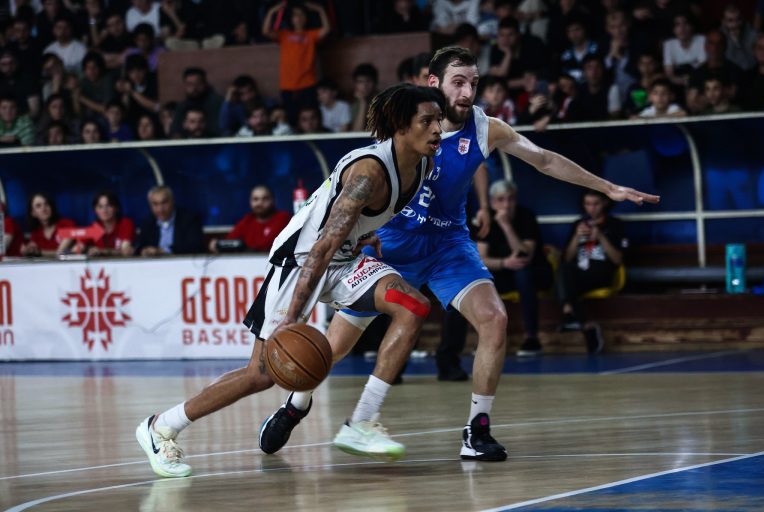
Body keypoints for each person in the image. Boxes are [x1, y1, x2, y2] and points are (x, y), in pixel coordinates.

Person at [258, 46, 659, 463]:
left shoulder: (485, 129)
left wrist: (607, 187)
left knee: (494, 319)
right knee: (334, 347)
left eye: (474, 83)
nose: (468, 92)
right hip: (393, 245)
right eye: (458, 82)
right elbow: (371, 188)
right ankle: (297, 403)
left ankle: (475, 429)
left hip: (448, 246)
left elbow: (543, 160)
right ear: (434, 83)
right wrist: (362, 234)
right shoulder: (405, 126)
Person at [135, 83, 446, 477]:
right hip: (301, 260)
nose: (437, 128)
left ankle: (362, 422)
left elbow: (348, 228)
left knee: (413, 306)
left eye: (439, 119)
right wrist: (293, 318)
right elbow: (321, 247)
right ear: (401, 126)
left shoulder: (421, 165)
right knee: (261, 375)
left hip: (343, 258)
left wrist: (365, 234)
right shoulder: (368, 174)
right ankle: (160, 427)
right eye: (427, 121)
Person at [439, 179, 554, 371]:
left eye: (510, 199)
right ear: (492, 202)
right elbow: (481, 259)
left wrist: (506, 225)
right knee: (473, 280)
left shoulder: (526, 216)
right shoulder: (486, 221)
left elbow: (524, 255)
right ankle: (485, 341)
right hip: (501, 273)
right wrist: (504, 263)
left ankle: (531, 338)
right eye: (501, 200)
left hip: (532, 273)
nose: (506, 204)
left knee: (523, 274)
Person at [556, 190, 626, 354]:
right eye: (587, 204)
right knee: (565, 271)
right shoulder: (578, 224)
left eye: (595, 204)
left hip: (602, 273)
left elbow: (617, 260)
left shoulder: (615, 224)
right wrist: (576, 237)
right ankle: (583, 323)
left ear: (604, 203)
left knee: (567, 286)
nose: (591, 208)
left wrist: (600, 236)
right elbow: (567, 258)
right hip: (579, 273)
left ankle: (571, 314)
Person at [261, 1, 330, 124]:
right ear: (291, 18)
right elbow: (266, 31)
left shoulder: (310, 35)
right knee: (292, 119)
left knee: (310, 119)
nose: (298, 18)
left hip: (307, 83)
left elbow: (326, 29)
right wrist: (272, 11)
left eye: (301, 14)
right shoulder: (284, 34)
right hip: (288, 85)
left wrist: (320, 10)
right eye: (295, 15)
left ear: (306, 17)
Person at [208, 185, 291, 253]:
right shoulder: (248, 220)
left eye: (265, 199)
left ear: (273, 200)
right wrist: (218, 245)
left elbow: (270, 245)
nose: (260, 203)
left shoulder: (283, 217)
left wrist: (244, 247)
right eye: (255, 199)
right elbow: (230, 241)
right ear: (250, 202)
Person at [59, 190, 135, 257]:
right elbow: (77, 249)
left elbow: (125, 251)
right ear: (95, 210)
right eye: (100, 207)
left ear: (116, 208)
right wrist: (83, 250)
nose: (104, 210)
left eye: (108, 206)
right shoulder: (94, 227)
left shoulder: (125, 223)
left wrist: (101, 252)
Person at [135, 185, 204, 256]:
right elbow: (139, 246)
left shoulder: (189, 219)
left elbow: (194, 246)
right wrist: (143, 251)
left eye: (164, 203)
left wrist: (162, 251)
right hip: (153, 262)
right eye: (155, 204)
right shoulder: (147, 222)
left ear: (173, 201)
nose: (160, 209)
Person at [20, 192, 75, 257]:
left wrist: (39, 252)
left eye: (46, 204)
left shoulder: (67, 224)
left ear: (51, 207)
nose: (44, 209)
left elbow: (61, 253)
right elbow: (31, 249)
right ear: (33, 213)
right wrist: (27, 250)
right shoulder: (36, 233)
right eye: (38, 206)